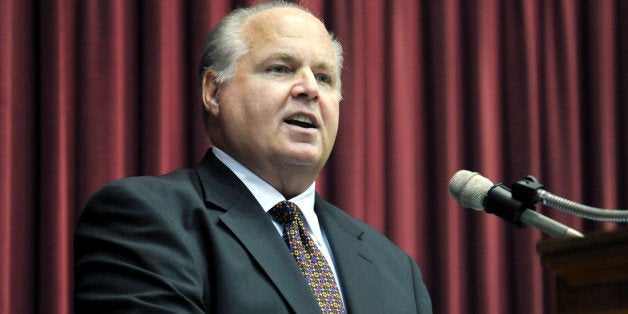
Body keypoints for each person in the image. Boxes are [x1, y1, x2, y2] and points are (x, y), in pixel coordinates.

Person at [74, 1, 432, 313]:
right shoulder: (147, 218)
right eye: (280, 68)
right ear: (214, 91)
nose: (308, 89)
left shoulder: (395, 268)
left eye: (324, 78)